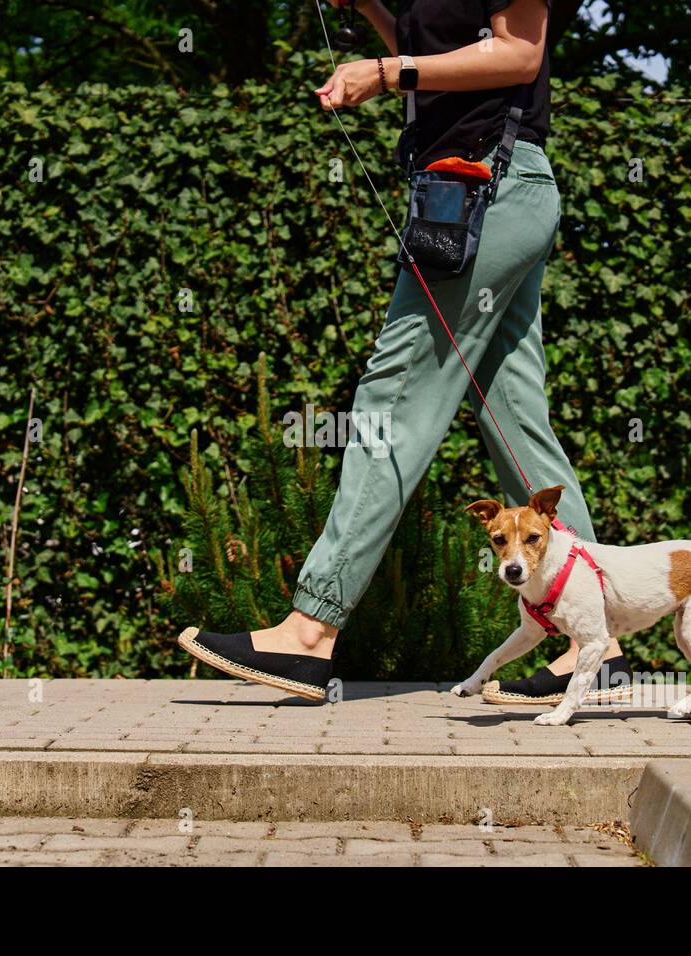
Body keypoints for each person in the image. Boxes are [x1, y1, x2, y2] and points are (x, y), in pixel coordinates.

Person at [179, 0, 627, 702]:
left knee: (393, 398)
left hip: (490, 189)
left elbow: (519, 54)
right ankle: (595, 640)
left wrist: (386, 73)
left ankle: (309, 631)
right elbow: (450, 56)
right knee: (510, 416)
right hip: (478, 191)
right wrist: (378, 15)